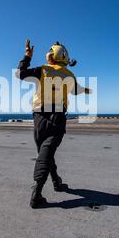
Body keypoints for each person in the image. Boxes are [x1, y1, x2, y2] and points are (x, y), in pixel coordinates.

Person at [16, 39, 91, 208]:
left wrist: (27, 56)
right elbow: (77, 91)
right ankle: (37, 193)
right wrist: (88, 90)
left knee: (46, 152)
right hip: (57, 118)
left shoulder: (43, 70)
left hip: (39, 118)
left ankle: (56, 182)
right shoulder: (69, 75)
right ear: (64, 57)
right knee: (46, 153)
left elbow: (21, 74)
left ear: (50, 56)